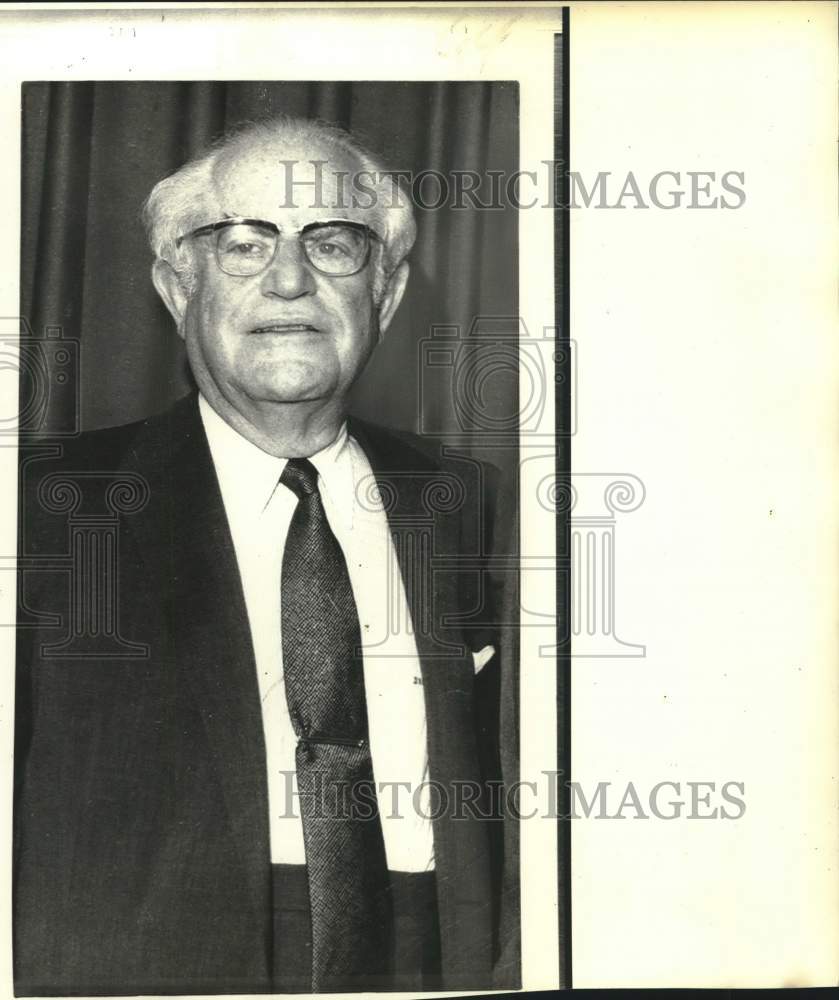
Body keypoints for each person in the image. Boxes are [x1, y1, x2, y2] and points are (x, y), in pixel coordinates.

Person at [14, 116, 516, 995]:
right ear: (177, 285)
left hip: (433, 961)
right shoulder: (42, 511)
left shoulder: (476, 506)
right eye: (244, 245)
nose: (290, 280)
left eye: (333, 244)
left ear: (386, 294)